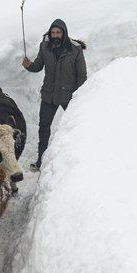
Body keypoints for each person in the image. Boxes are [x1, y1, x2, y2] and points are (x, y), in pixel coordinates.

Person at [21, 18, 87, 170]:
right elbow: (38, 66)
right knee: (44, 128)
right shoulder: (45, 46)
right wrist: (29, 65)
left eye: (58, 32)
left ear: (64, 33)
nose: (55, 35)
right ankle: (41, 160)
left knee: (75, 127)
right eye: (53, 32)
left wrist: (79, 96)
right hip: (49, 95)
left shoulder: (75, 49)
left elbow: (81, 74)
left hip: (68, 96)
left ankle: (77, 159)